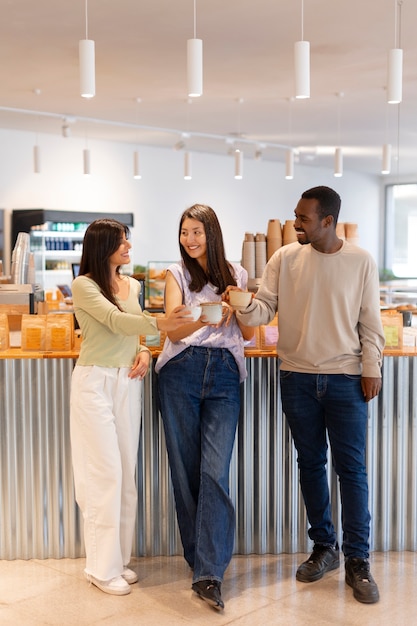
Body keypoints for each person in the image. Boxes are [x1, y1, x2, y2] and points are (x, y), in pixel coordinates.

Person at [232, 186, 385, 605]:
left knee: (352, 470)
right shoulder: (284, 259)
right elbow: (265, 308)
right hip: (296, 377)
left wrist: (371, 368)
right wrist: (242, 305)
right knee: (311, 465)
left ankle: (358, 560)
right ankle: (324, 548)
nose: (295, 223)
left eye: (303, 218)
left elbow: (371, 324)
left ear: (328, 221)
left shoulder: (361, 261)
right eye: (295, 215)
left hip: (346, 379)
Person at [70, 218, 192, 596]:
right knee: (103, 474)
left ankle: (118, 560)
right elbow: (113, 320)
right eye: (122, 242)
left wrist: (142, 349)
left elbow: (134, 332)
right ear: (103, 245)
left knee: (125, 473)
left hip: (127, 381)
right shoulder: (84, 285)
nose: (128, 248)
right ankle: (100, 568)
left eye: (128, 241)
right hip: (94, 383)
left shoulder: (133, 285)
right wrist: (161, 323)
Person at [155, 204, 255, 610]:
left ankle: (209, 572)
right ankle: (203, 567)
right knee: (186, 470)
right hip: (180, 368)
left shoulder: (238, 275)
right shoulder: (175, 275)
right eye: (184, 232)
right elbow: (171, 329)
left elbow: (248, 333)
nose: (190, 240)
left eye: (197, 232)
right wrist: (203, 319)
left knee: (214, 471)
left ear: (211, 234)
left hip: (226, 374)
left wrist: (239, 306)